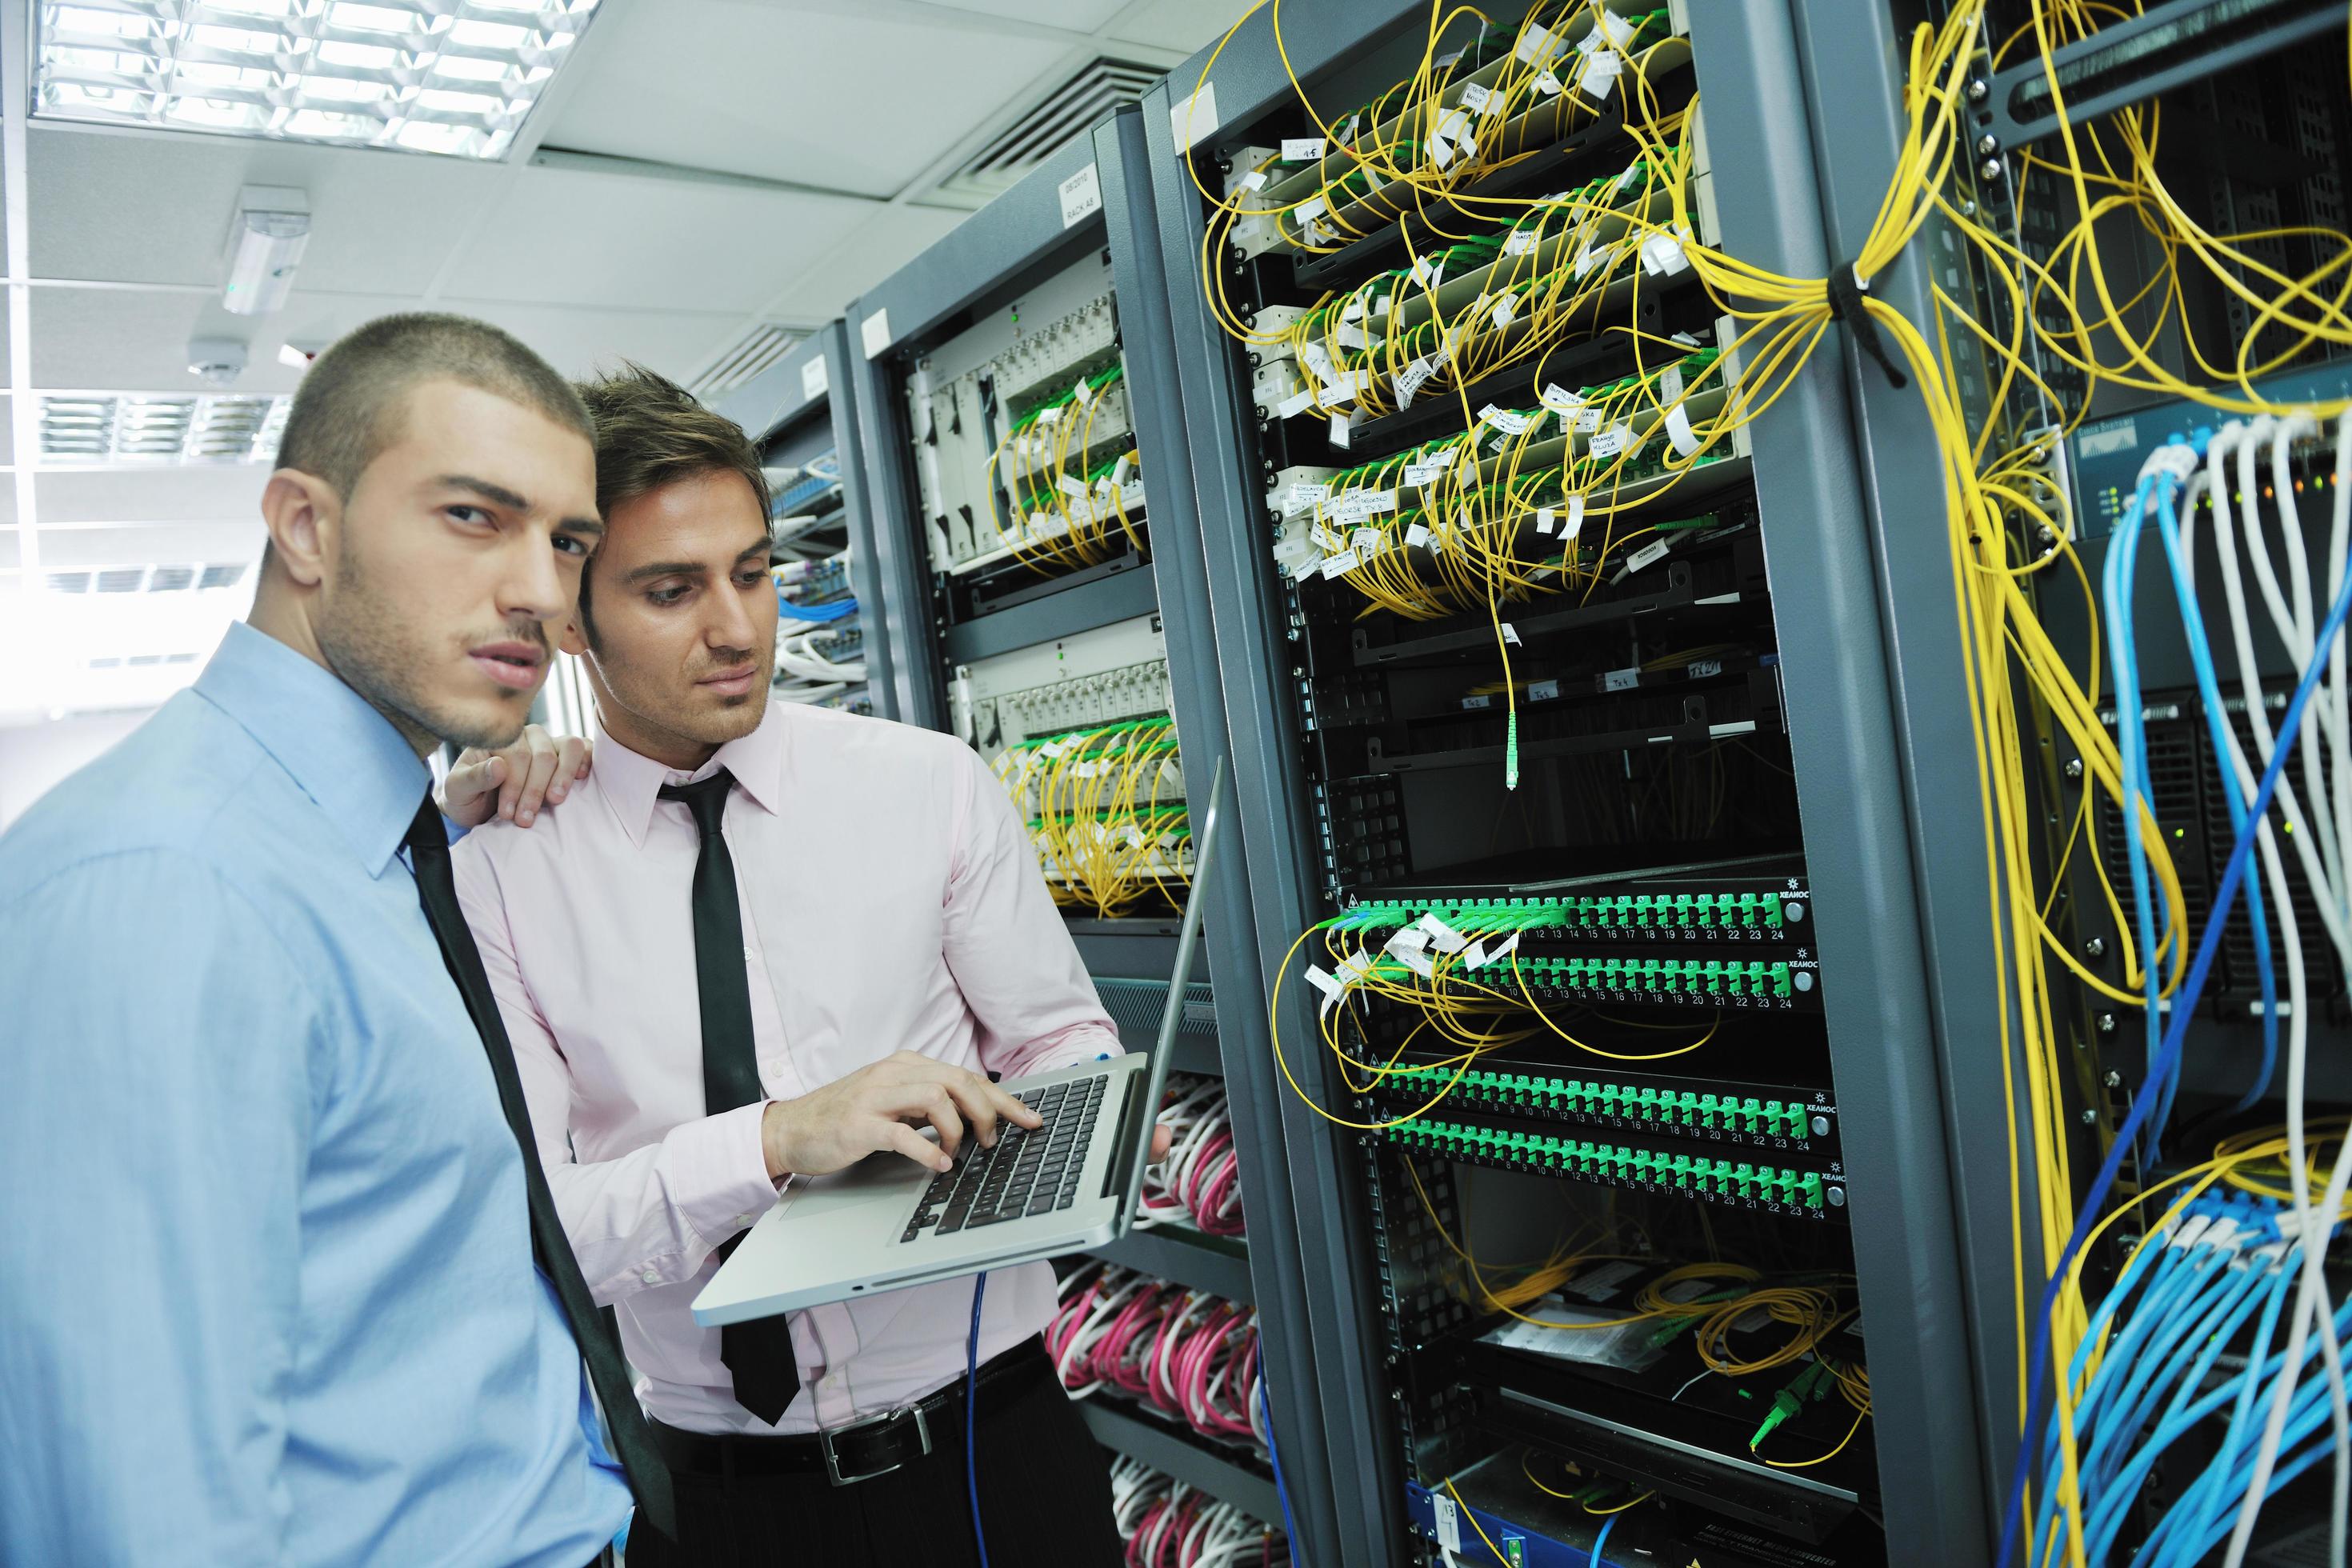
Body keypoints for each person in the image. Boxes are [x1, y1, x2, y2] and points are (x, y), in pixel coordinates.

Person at [442, 363, 1147, 1565]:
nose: (736, 627)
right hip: (721, 1503)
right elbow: (540, 1230)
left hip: (996, 1448)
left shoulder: (927, 786)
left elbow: (1062, 1042)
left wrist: (1029, 1131)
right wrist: (775, 1143)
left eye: (754, 572)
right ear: (569, 615)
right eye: (671, 591)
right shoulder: (501, 873)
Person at [0, 314, 670, 1566]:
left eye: (566, 540)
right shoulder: (168, 887)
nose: (539, 590)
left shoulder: (365, 852)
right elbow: (140, 1522)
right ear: (306, 527)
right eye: (475, 516)